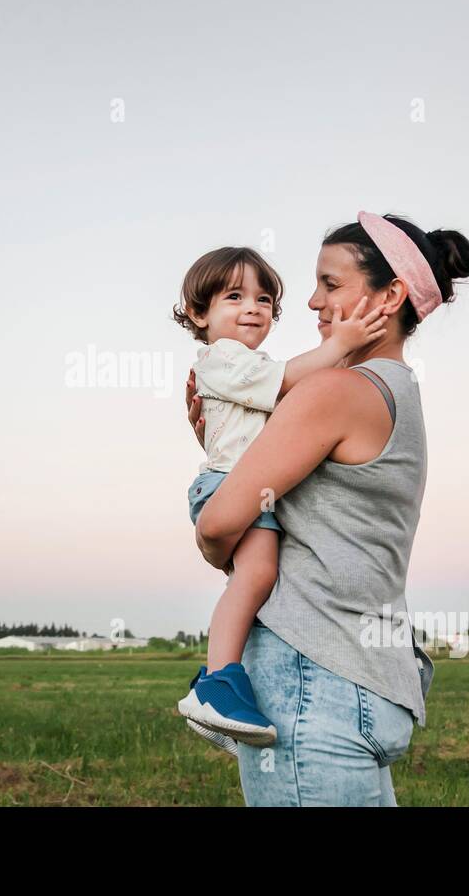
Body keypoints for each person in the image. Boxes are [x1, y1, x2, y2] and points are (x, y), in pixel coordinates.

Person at [187, 212, 469, 805]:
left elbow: (219, 523)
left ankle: (215, 682)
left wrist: (226, 519)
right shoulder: (396, 392)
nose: (313, 302)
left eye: (331, 284)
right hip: (366, 679)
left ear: (390, 294)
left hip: (311, 678)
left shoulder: (334, 392)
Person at [171, 246, 388, 746]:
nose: (253, 307)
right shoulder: (223, 360)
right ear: (200, 315)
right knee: (257, 576)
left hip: (242, 483)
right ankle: (217, 681)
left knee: (253, 584)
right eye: (234, 297)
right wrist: (344, 343)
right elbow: (291, 380)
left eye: (264, 299)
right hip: (228, 484)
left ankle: (223, 687)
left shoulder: (251, 365)